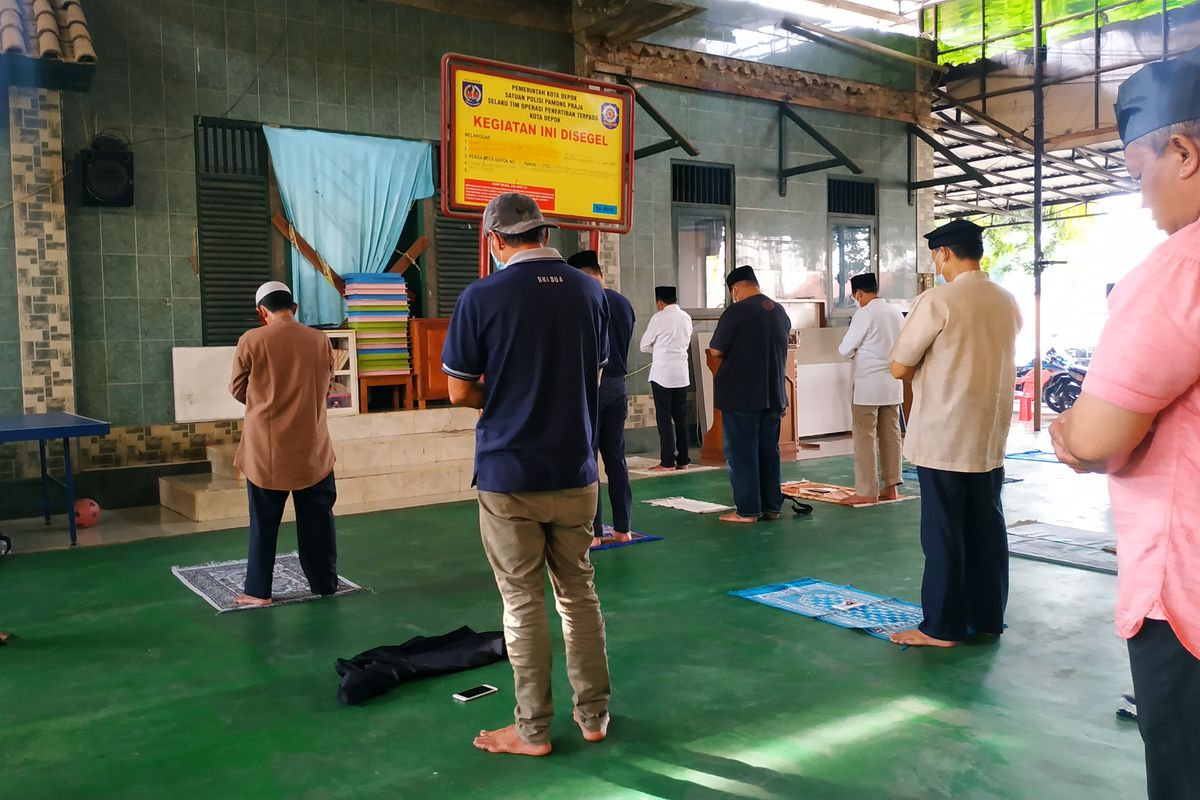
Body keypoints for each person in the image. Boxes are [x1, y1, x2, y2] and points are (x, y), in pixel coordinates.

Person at [1049, 48, 1200, 800]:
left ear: (1184, 150)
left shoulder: (1181, 268)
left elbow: (1101, 434)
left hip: (1188, 594)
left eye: (1142, 171)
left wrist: (1073, 435)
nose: (1142, 197)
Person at [442, 192, 611, 757]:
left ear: (494, 241)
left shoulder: (481, 296)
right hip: (576, 467)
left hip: (510, 474)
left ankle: (532, 730)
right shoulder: (592, 292)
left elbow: (461, 389)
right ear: (544, 233)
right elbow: (593, 372)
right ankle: (594, 717)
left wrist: (508, 396)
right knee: (579, 594)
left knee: (522, 602)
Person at [887, 220, 1022, 647]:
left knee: (944, 533)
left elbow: (899, 365)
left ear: (944, 253)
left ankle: (941, 627)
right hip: (988, 436)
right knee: (986, 528)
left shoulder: (938, 300)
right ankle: (987, 618)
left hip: (945, 434)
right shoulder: (1006, 300)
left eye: (935, 255)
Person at [229, 281, 339, 608]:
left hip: (266, 452)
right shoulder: (320, 341)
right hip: (313, 449)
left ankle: (258, 591)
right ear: (295, 308)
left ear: (262, 313)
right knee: (318, 523)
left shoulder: (251, 340)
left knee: (264, 524)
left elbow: (237, 388)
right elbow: (327, 382)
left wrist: (264, 399)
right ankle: (325, 583)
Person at [708, 265, 792, 524]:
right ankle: (771, 507)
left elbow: (716, 351)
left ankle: (747, 511)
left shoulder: (736, 312)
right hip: (774, 394)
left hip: (742, 394)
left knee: (742, 453)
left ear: (735, 289)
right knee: (769, 450)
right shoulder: (779, 311)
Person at [567, 249, 635, 547]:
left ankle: (593, 533)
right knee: (616, 458)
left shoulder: (580, 300)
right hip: (619, 386)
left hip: (592, 386)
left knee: (588, 458)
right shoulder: (623, 303)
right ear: (601, 274)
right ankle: (623, 528)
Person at [838, 273, 905, 504]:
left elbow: (845, 349)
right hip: (893, 384)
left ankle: (866, 492)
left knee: (865, 438)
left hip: (867, 386)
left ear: (858, 294)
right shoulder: (896, 312)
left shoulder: (864, 314)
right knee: (891, 436)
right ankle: (892, 486)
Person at [640, 285, 694, 472]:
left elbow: (644, 345)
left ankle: (667, 462)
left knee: (664, 417)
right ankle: (684, 460)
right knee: (681, 417)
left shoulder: (659, 317)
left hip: (662, 374)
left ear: (660, 302)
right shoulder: (686, 317)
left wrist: (659, 348)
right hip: (681, 374)